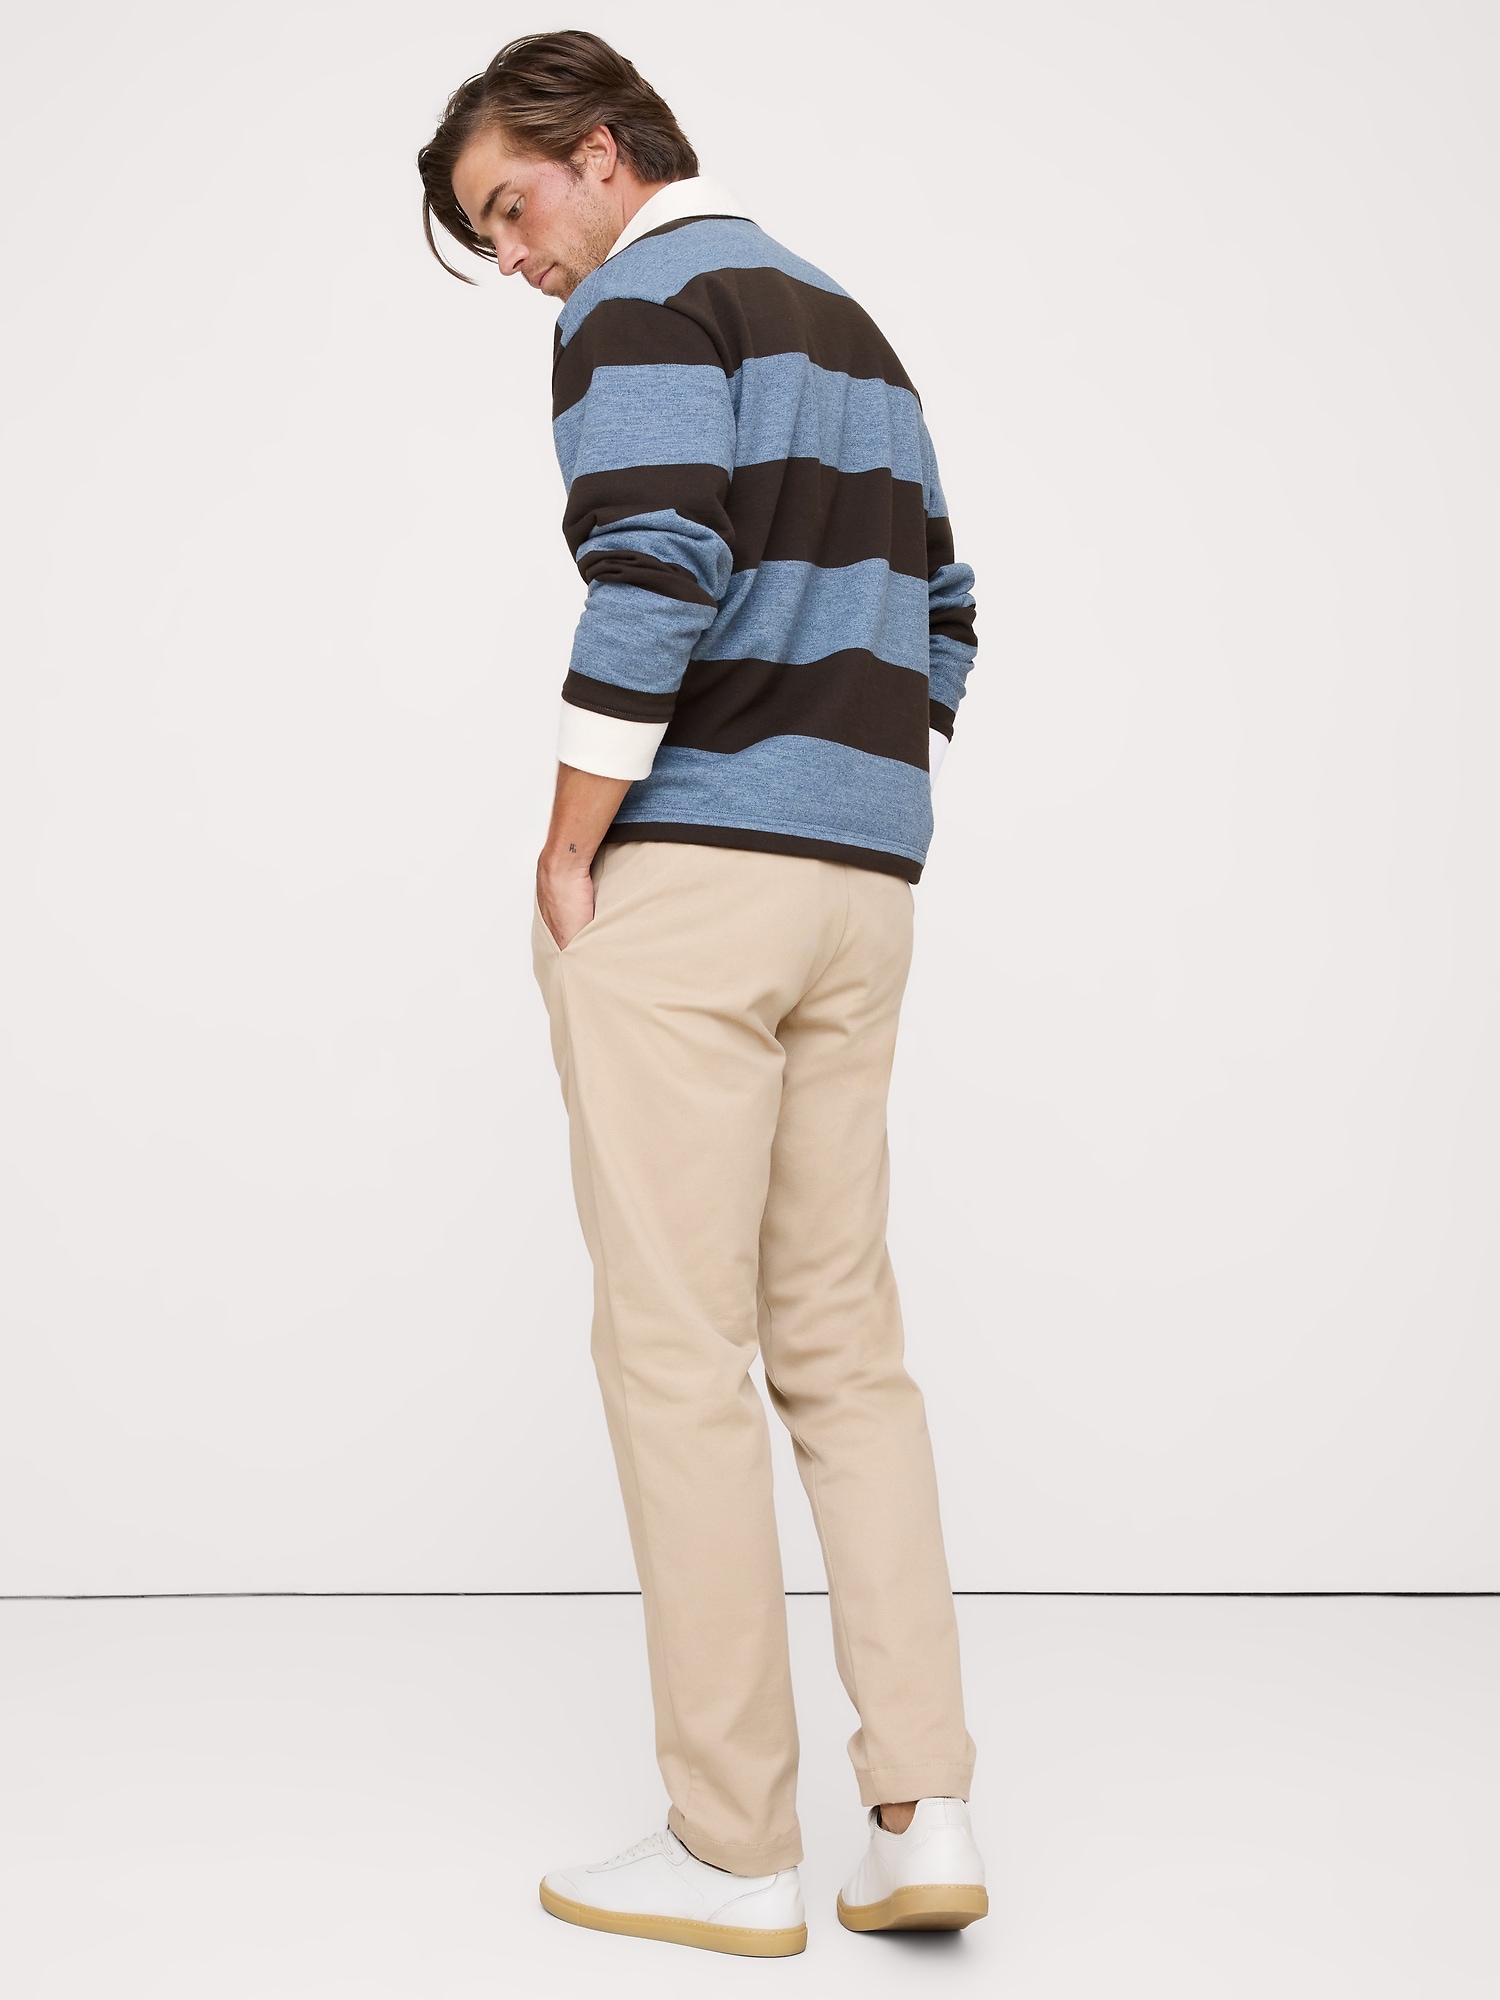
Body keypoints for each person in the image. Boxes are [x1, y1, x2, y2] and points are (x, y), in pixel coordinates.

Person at [418, 30, 984, 1959]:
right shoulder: (853, 328)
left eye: (511, 207)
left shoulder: (642, 304)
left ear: (601, 150)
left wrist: (572, 842)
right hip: (862, 893)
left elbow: (653, 569)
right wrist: (856, 789)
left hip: (696, 886)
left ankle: (732, 1844)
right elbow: (948, 609)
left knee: (678, 1357)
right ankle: (922, 1814)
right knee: (845, 1349)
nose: (517, 261)